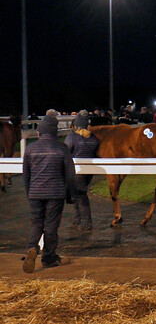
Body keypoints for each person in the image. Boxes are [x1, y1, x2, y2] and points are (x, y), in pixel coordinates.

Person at [21, 116, 78, 272]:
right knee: (51, 225)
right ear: (55, 132)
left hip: (35, 192)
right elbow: (70, 175)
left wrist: (29, 193)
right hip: (56, 193)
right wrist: (72, 194)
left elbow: (25, 174)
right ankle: (49, 258)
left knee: (37, 223)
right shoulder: (62, 148)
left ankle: (32, 247)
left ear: (40, 132)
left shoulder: (30, 148)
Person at [64, 113, 99, 231]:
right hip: (89, 171)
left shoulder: (72, 137)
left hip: (77, 170)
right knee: (78, 194)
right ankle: (77, 218)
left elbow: (65, 151)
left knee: (81, 195)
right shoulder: (93, 138)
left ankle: (86, 222)